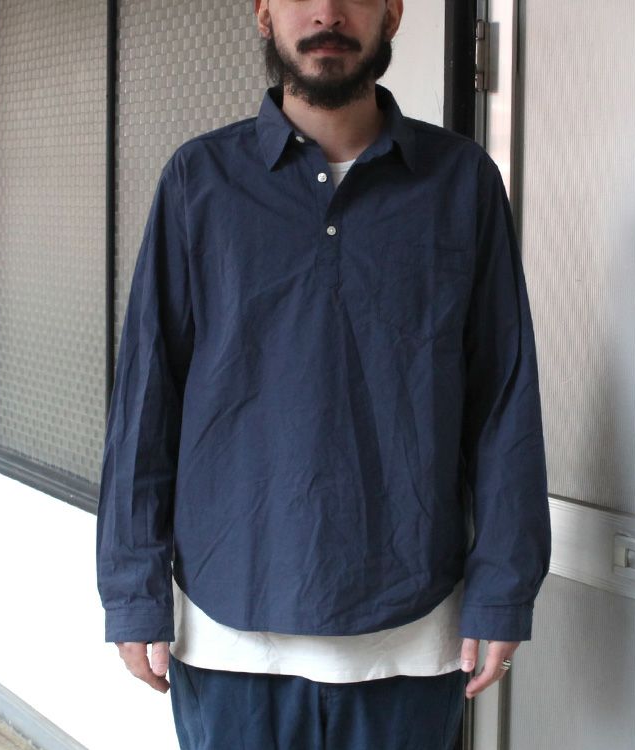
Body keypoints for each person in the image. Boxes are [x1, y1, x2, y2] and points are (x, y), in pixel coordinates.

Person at [96, 0, 552, 748]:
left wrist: (505, 586)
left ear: (392, 13)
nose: (328, 13)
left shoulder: (461, 182)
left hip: (411, 635)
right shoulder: (198, 181)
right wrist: (131, 587)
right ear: (264, 13)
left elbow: (503, 398)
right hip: (229, 632)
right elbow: (147, 399)